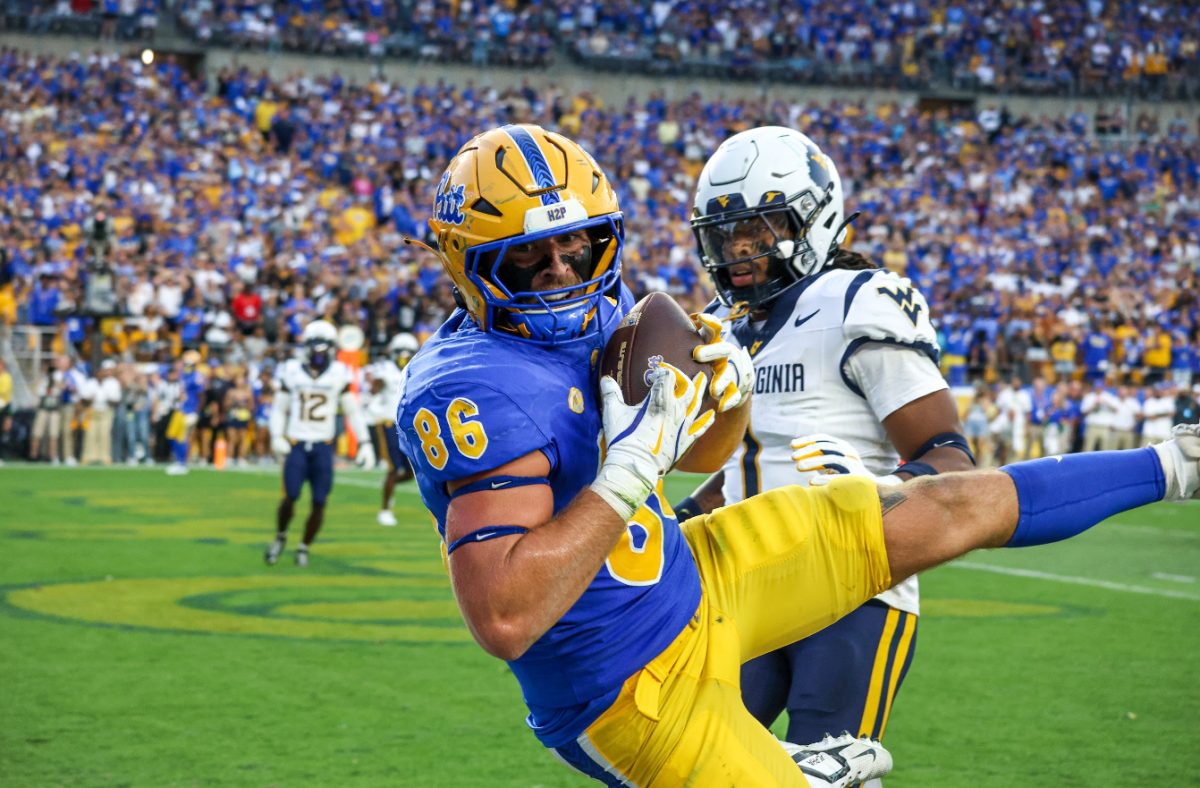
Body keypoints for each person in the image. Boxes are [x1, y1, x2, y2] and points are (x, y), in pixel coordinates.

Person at [396, 124, 1200, 786]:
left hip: (699, 569)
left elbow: (706, 450)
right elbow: (504, 616)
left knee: (960, 505)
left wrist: (727, 391)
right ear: (466, 264)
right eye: (529, 260)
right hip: (627, 687)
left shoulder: (609, 305)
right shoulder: (471, 392)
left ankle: (1178, 463)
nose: (564, 273)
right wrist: (632, 465)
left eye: (580, 247)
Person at [679, 126, 976, 759]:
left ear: (812, 221)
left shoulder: (854, 303)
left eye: (758, 232)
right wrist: (676, 519)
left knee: (827, 772)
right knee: (697, 765)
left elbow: (949, 456)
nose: (739, 252)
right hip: (748, 591)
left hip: (853, 588)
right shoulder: (730, 331)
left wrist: (877, 491)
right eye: (725, 235)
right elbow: (750, 462)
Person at [264, 319, 375, 568]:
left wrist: (365, 442)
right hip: (297, 443)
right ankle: (280, 535)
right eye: (317, 347)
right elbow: (279, 409)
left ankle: (304, 546)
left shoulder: (339, 373)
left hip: (323, 446)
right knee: (290, 496)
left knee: (319, 501)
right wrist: (276, 436)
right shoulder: (291, 370)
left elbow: (353, 411)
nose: (320, 353)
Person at [366, 332, 418, 526]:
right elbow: (373, 390)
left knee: (411, 471)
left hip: (407, 426)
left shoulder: (417, 369)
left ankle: (388, 486)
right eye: (401, 352)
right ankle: (385, 510)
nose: (404, 356)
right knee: (393, 468)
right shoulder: (385, 369)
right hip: (387, 422)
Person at [166, 350, 206, 476]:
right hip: (180, 409)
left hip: (189, 410)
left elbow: (202, 395)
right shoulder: (183, 374)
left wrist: (196, 411)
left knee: (182, 438)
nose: (186, 366)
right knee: (171, 435)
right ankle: (178, 461)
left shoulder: (197, 376)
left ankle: (182, 464)